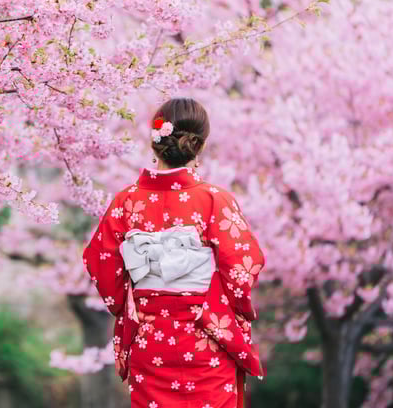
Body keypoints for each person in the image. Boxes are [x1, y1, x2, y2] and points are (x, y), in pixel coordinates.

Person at [83, 98, 266, 408]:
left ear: (155, 142)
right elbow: (241, 269)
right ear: (199, 145)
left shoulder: (125, 202)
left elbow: (101, 265)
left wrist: (136, 306)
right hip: (205, 339)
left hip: (150, 341)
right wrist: (219, 308)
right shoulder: (215, 200)